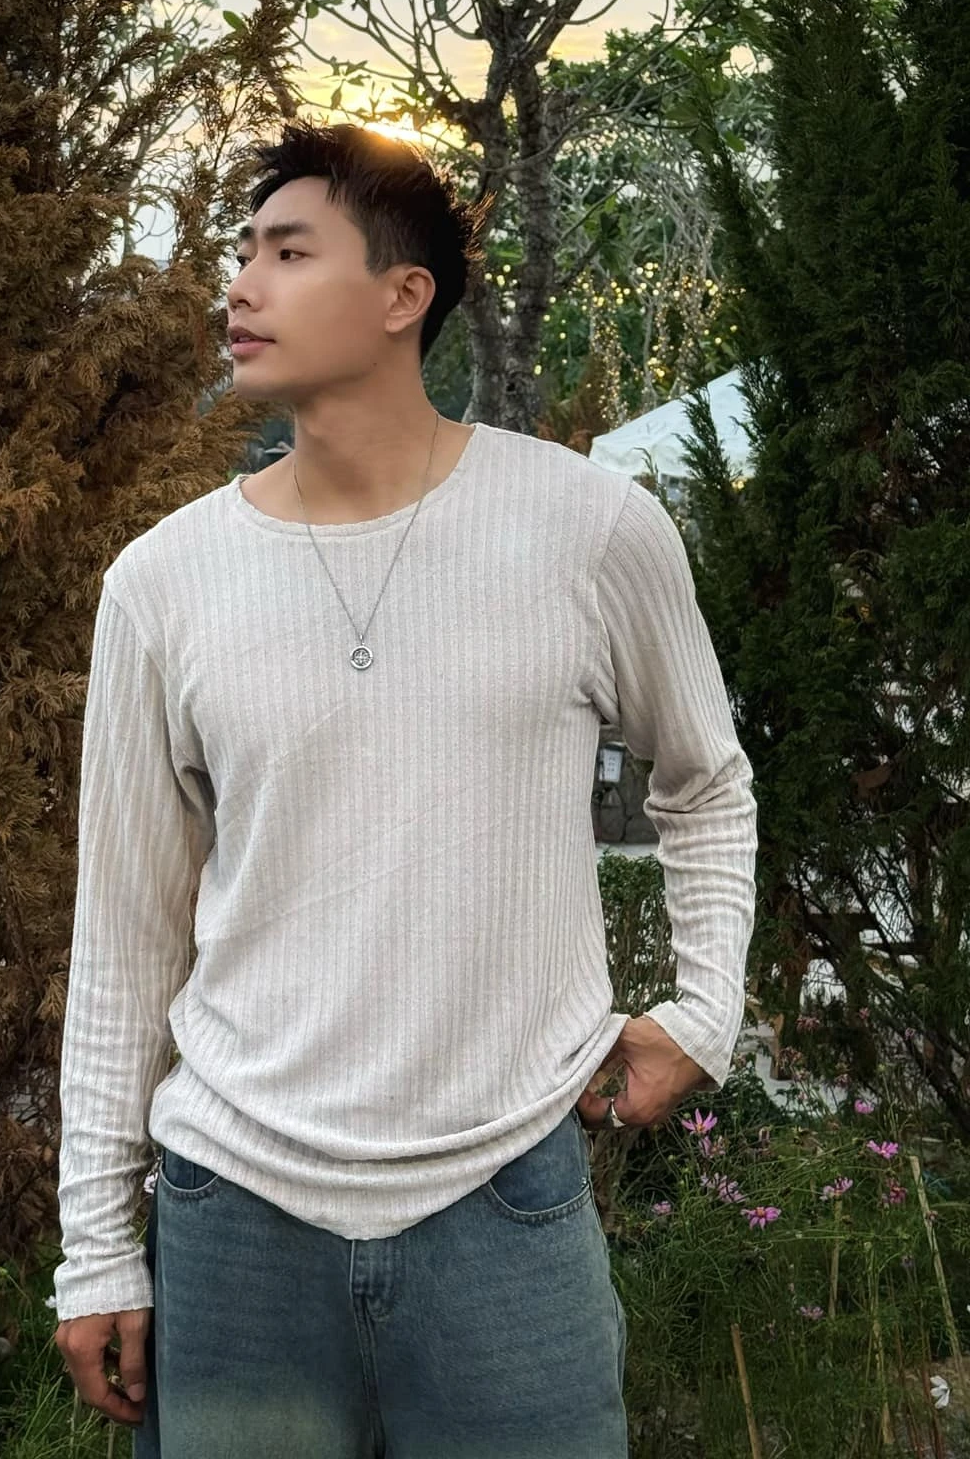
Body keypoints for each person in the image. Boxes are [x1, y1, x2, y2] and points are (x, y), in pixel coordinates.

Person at [51, 120, 758, 1456]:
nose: (240, 287)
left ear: (402, 295)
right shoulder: (161, 584)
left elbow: (706, 782)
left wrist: (705, 1011)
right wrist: (95, 1246)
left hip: (506, 1203)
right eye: (242, 255)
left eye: (288, 253)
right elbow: (125, 933)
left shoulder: (589, 529)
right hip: (234, 1214)